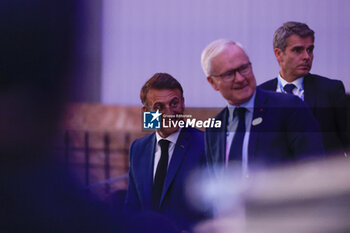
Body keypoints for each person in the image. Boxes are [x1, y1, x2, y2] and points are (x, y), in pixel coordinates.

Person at [201, 39, 324, 175]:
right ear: (212, 82)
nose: (240, 78)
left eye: (244, 68)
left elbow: (313, 170)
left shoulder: (289, 108)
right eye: (229, 74)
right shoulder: (214, 130)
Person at [125, 73, 208, 231]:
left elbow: (213, 208)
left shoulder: (204, 145)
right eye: (159, 107)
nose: (169, 113)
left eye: (174, 103)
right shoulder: (138, 148)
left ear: (183, 103)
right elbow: (132, 208)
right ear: (147, 111)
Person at [260, 21, 349, 155]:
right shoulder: (261, 94)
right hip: (276, 174)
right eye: (297, 50)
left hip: (322, 173)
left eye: (310, 50)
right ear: (278, 54)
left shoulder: (331, 90)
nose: (307, 57)